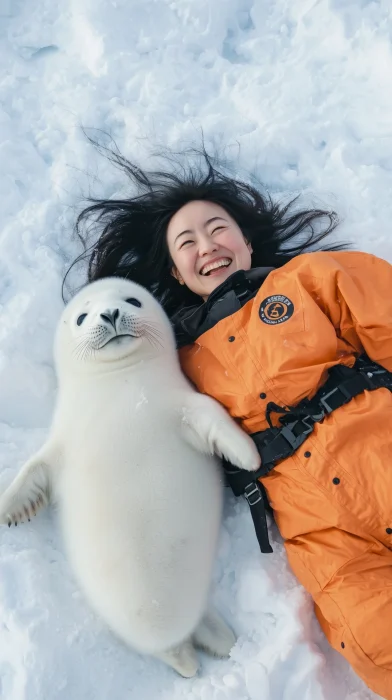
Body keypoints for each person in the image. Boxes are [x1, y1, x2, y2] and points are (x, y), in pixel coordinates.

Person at [67, 143, 392, 699]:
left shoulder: (308, 280)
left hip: (378, 448)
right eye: (187, 242)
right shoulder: (179, 363)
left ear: (244, 240)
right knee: (375, 637)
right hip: (325, 534)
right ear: (175, 270)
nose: (207, 246)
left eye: (218, 229)